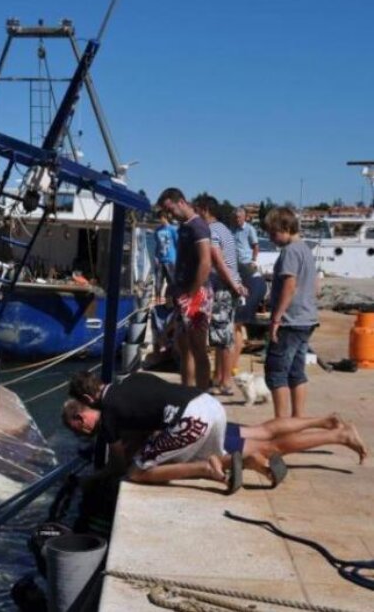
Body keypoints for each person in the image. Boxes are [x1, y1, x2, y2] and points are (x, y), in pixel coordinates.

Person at [62, 371, 367, 490]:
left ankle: (215, 468)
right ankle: (327, 426)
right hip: (205, 403)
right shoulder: (131, 379)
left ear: (87, 402)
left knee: (138, 473)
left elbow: (119, 464)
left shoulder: (111, 412)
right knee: (260, 431)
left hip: (191, 421)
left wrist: (103, 475)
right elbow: (148, 416)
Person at [264, 207, 319, 418]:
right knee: (296, 372)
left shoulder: (290, 251)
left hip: (290, 320)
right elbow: (315, 285)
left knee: (276, 373)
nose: (271, 238)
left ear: (285, 228)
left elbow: (289, 284)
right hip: (307, 318)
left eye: (273, 233)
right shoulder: (305, 249)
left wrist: (276, 317)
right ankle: (298, 420)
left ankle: (281, 424)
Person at [157, 188, 213, 390]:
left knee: (198, 346)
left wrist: (192, 292)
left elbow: (205, 263)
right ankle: (186, 391)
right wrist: (173, 287)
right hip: (182, 290)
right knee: (183, 345)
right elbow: (181, 261)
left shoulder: (198, 227)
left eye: (170, 209)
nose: (170, 215)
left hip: (196, 293)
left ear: (181, 202)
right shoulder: (183, 227)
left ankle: (202, 393)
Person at [192, 195, 247, 395]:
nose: (195, 214)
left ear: (205, 209)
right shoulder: (224, 229)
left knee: (222, 336)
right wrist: (238, 284)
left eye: (197, 209)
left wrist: (233, 284)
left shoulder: (212, 231)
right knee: (226, 335)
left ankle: (224, 382)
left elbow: (218, 261)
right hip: (229, 287)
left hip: (223, 287)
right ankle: (219, 378)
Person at [154, 211, 178, 303]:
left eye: (161, 218)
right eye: (159, 218)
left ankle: (171, 303)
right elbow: (157, 245)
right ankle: (157, 301)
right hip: (160, 260)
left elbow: (177, 244)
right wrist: (155, 257)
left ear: (165, 217)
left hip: (171, 260)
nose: (160, 220)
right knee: (158, 283)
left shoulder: (173, 229)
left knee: (171, 283)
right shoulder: (157, 231)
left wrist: (177, 258)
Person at [231, 207, 260, 279]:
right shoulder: (232, 229)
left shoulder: (249, 229)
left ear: (244, 217)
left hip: (246, 263)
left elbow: (256, 246)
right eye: (235, 217)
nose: (237, 219)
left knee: (248, 283)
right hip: (235, 263)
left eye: (239, 217)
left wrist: (253, 261)